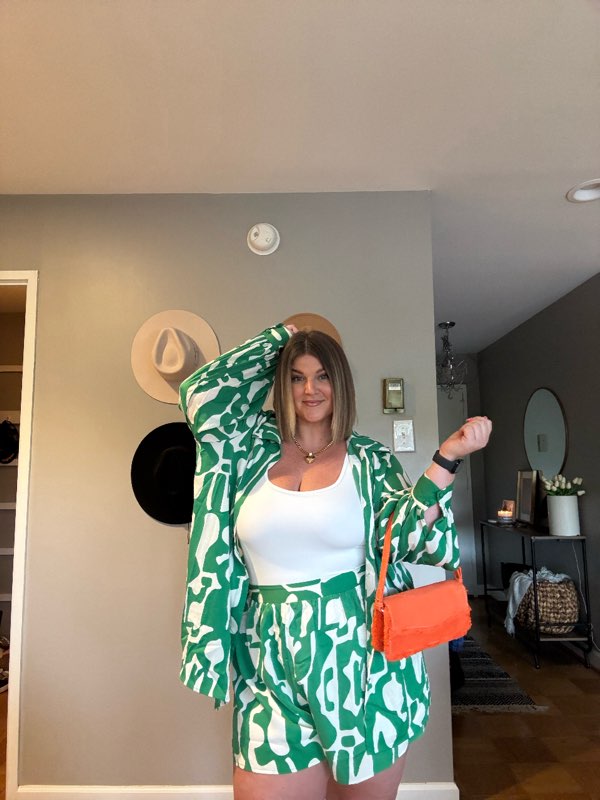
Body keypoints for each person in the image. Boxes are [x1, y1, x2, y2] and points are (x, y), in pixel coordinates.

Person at [179, 323, 491, 800]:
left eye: (322, 375)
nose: (310, 389)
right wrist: (286, 334)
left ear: (339, 383)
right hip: (269, 662)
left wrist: (447, 458)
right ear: (280, 384)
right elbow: (201, 395)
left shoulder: (368, 459)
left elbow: (405, 536)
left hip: (363, 661)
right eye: (296, 377)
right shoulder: (244, 451)